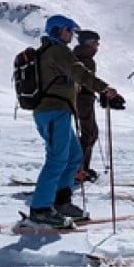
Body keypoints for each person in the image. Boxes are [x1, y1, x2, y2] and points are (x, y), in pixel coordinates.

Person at [28, 15, 124, 228]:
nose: (72, 34)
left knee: (73, 155)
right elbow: (79, 72)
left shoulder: (45, 52)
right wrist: (104, 89)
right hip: (54, 110)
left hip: (53, 110)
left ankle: (61, 202)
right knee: (57, 159)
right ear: (58, 30)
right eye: (69, 30)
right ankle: (41, 209)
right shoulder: (58, 50)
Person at [73, 29, 101, 183]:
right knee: (89, 134)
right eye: (96, 43)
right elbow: (87, 81)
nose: (97, 47)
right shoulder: (86, 59)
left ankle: (81, 168)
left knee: (88, 133)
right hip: (83, 100)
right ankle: (81, 170)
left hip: (80, 99)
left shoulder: (75, 56)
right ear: (89, 43)